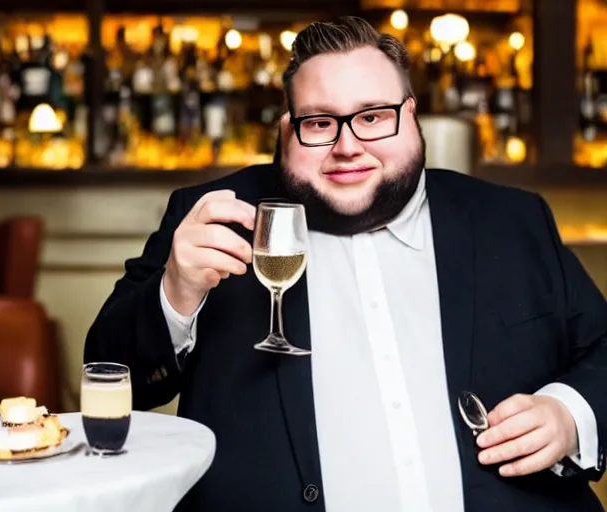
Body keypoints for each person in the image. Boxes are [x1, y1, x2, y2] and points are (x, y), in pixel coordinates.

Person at [84, 17, 607, 512]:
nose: (348, 146)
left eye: (373, 116)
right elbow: (109, 375)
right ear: (288, 130)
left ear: (411, 114)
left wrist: (569, 413)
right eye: (320, 122)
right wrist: (175, 292)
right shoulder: (215, 217)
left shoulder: (512, 219)